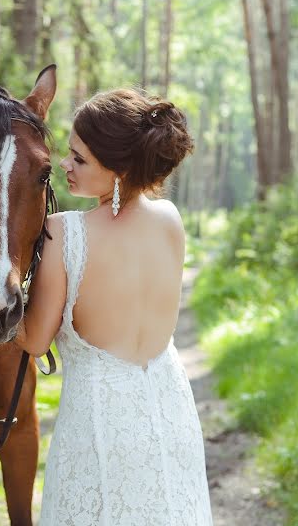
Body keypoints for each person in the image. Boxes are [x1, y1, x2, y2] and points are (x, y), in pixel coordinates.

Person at [14, 89, 213, 525]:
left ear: (120, 170)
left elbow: (33, 341)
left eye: (79, 159)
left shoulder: (63, 234)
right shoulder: (170, 221)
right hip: (171, 413)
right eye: (68, 153)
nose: (64, 165)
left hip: (99, 427)